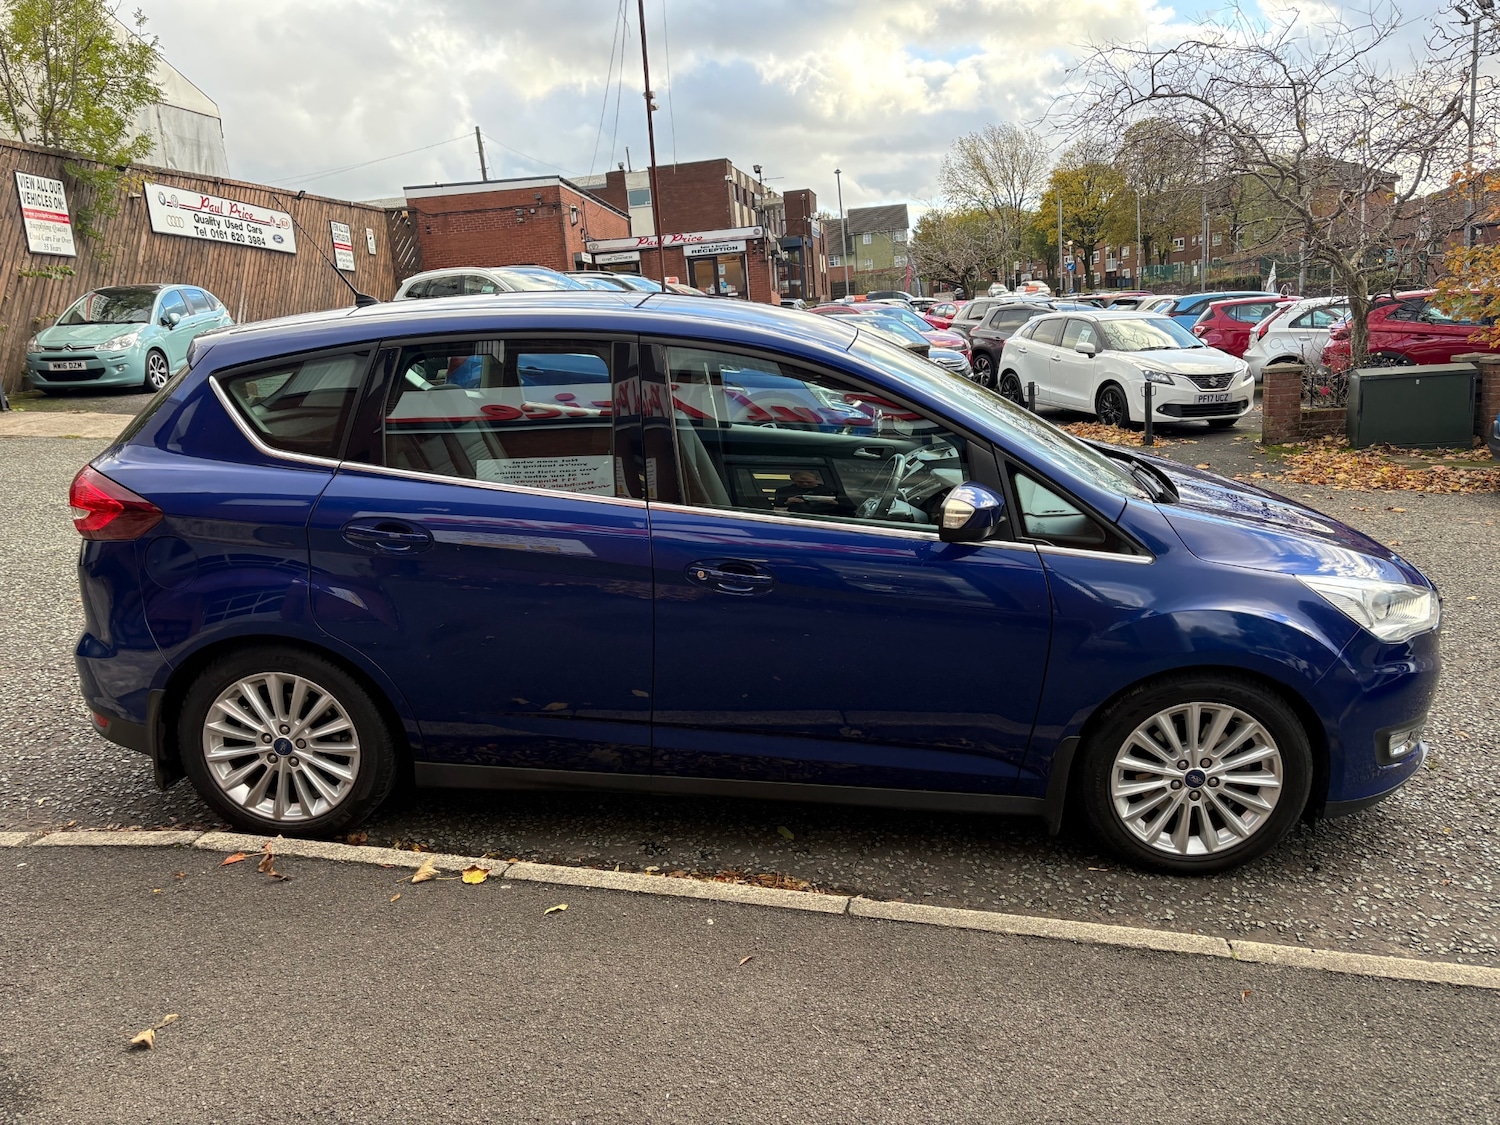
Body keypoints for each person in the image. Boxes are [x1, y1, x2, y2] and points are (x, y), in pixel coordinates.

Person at [773, 469, 852, 515]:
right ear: (793, 480)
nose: (805, 484)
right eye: (800, 482)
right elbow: (774, 510)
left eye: (809, 482)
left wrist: (834, 503)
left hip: (827, 518)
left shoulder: (831, 491)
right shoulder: (784, 491)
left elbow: (851, 507)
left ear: (817, 480)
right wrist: (787, 502)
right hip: (795, 518)